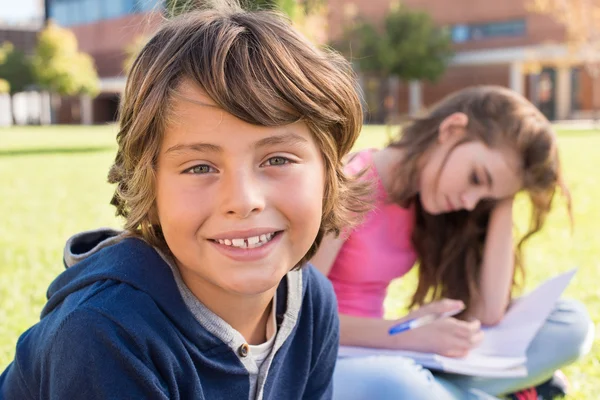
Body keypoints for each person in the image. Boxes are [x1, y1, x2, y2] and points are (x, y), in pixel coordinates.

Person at [0, 2, 370, 399]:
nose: (243, 201)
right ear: (149, 184)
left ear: (329, 172)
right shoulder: (103, 332)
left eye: (277, 159)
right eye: (199, 167)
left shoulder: (311, 303)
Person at [311, 86, 594, 400]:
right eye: (476, 178)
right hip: (336, 362)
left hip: (398, 356)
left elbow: (488, 311)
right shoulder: (351, 183)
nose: (469, 202)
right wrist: (403, 335)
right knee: (401, 386)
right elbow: (299, 318)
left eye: (485, 196)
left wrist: (503, 196)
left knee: (571, 323)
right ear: (451, 129)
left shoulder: (426, 204)